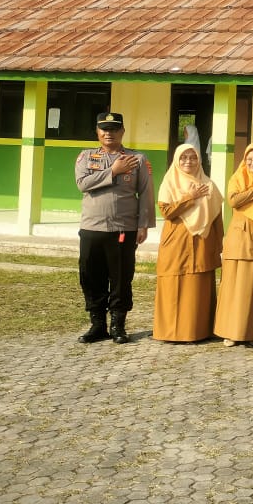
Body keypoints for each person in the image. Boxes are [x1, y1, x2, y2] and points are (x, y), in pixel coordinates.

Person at [74, 111, 155, 344]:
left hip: (123, 228)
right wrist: (113, 171)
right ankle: (97, 324)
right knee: (90, 276)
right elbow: (82, 184)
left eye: (114, 129)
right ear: (97, 132)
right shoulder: (86, 156)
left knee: (121, 278)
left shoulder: (137, 158)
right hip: (92, 227)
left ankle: (118, 325)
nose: (109, 133)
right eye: (104, 129)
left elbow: (146, 193)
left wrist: (143, 225)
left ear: (122, 132)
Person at [153, 144, 224, 342]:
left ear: (199, 160)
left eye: (193, 157)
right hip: (176, 241)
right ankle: (170, 332)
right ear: (176, 160)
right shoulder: (169, 182)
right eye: (183, 157)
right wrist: (190, 198)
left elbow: (217, 218)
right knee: (172, 283)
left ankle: (197, 331)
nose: (188, 161)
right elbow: (167, 212)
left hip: (202, 242)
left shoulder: (209, 185)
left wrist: (219, 244)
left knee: (198, 287)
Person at [214, 143, 253, 347]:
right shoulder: (238, 178)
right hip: (240, 240)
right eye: (249, 159)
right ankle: (231, 332)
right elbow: (234, 200)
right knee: (235, 288)